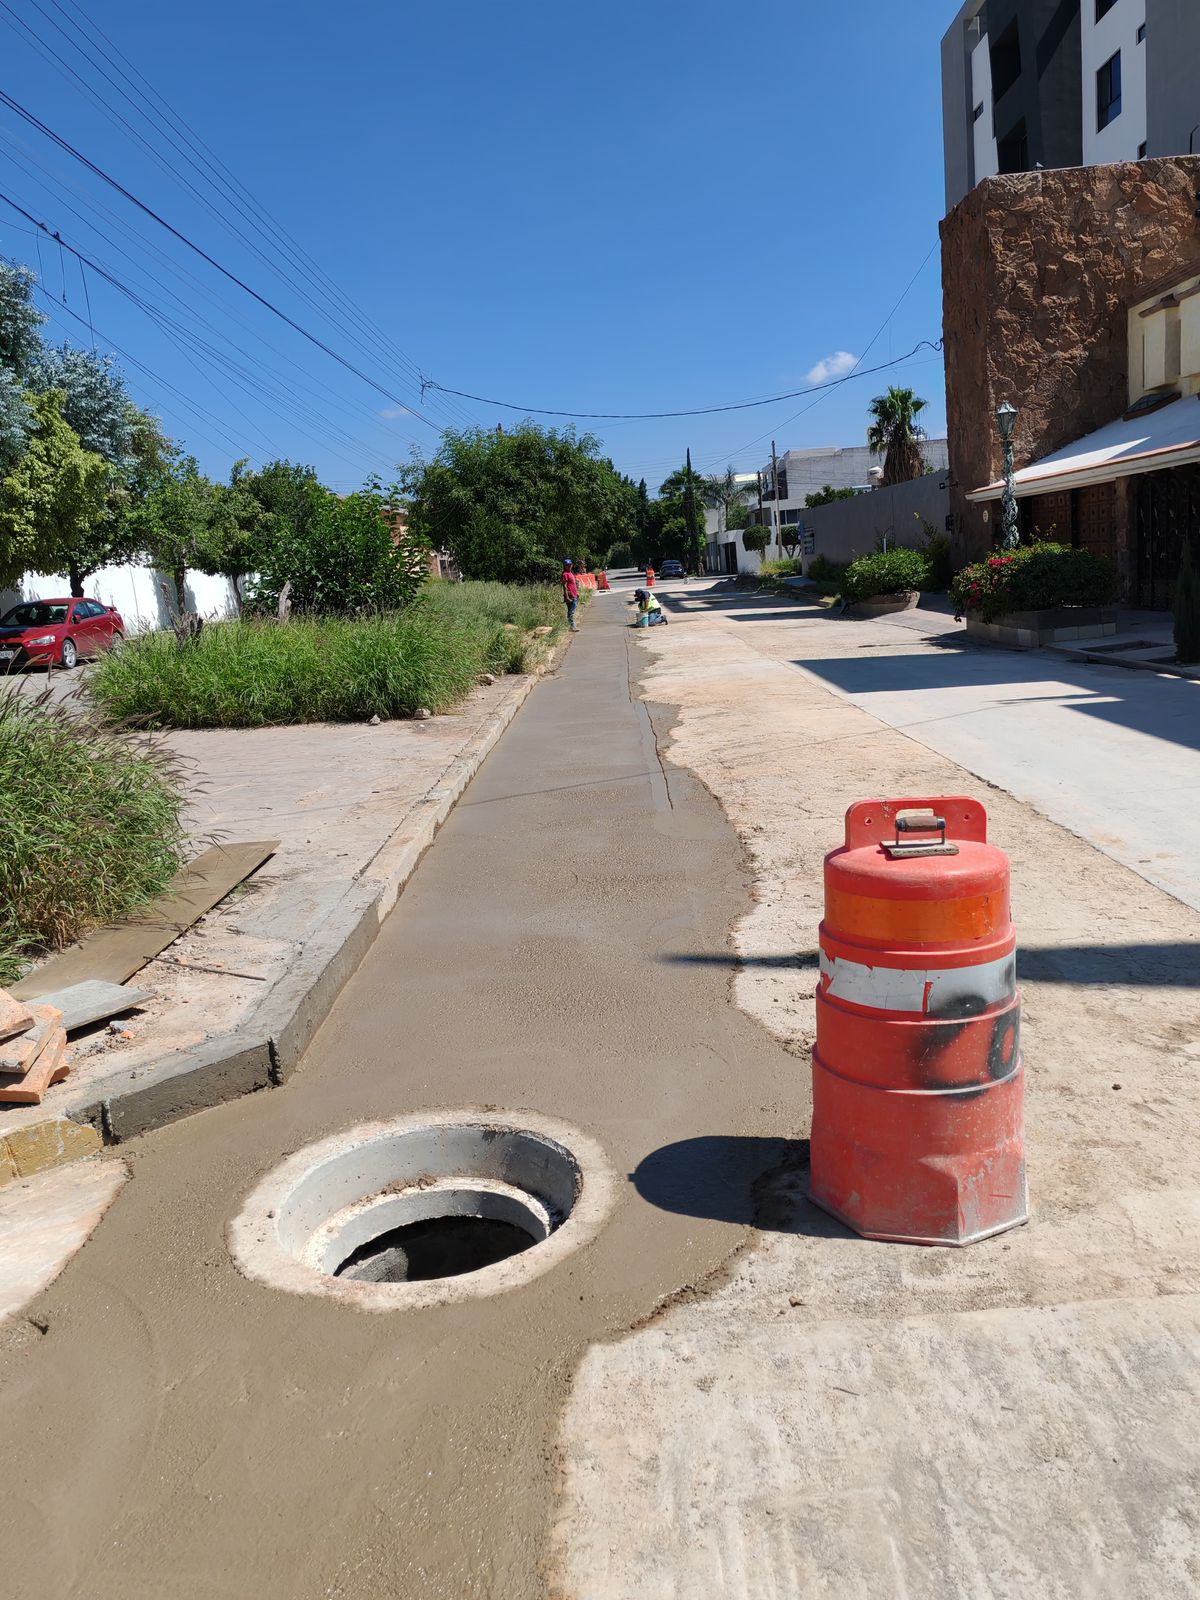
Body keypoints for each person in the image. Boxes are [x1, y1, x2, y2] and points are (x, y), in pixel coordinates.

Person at [562, 559, 580, 632]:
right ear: (564, 566)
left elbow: (574, 584)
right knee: (571, 612)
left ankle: (571, 625)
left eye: (570, 565)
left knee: (571, 610)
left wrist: (577, 593)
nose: (569, 566)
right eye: (567, 565)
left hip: (574, 594)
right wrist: (566, 596)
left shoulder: (571, 573)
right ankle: (572, 626)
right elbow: (564, 586)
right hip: (570, 596)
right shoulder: (565, 574)